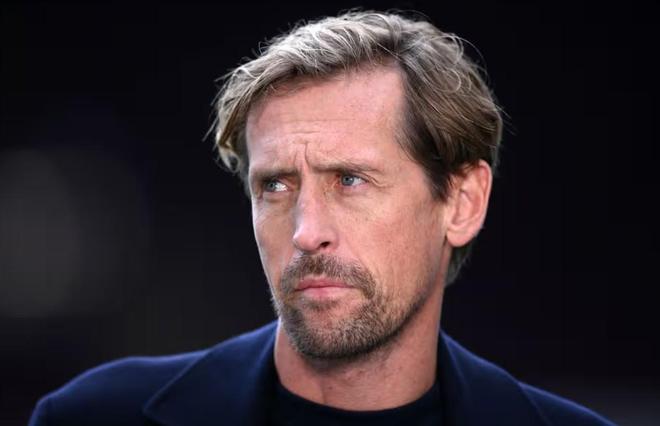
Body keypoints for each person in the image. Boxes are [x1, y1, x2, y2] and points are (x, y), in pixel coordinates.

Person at [30, 10, 614, 426]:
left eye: (350, 180)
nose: (307, 232)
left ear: (462, 203)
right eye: (276, 186)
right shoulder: (93, 416)